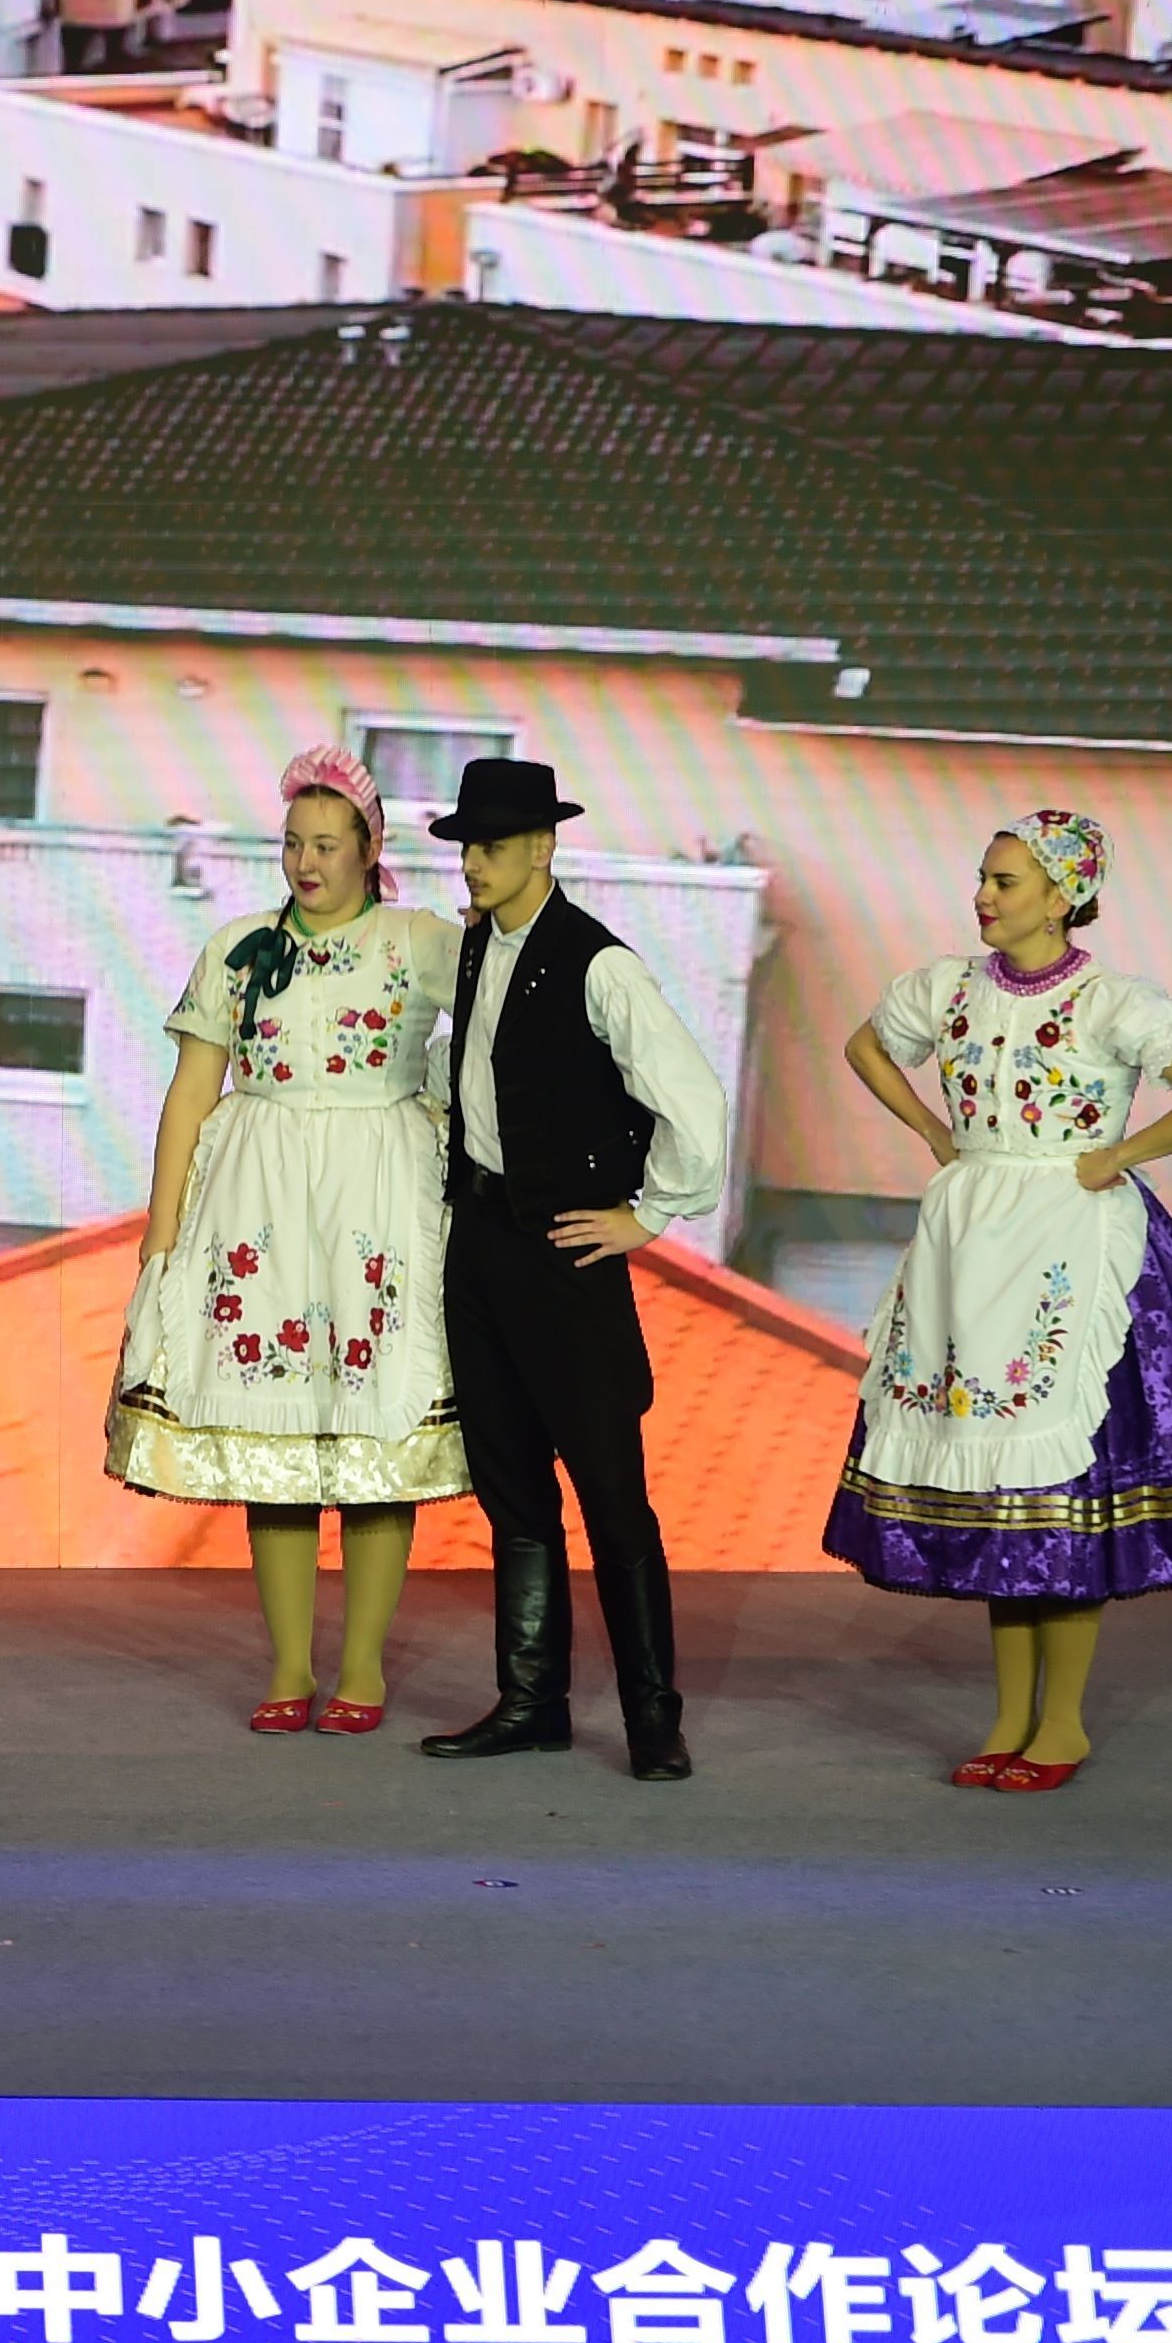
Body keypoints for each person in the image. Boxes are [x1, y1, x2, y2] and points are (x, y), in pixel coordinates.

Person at [823, 811, 1172, 1790]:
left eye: (1005, 881)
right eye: (983, 878)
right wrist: (934, 1131)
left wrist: (1117, 1154)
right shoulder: (946, 987)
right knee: (1001, 1498)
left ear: (1062, 895)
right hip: (969, 1241)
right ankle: (1004, 1718)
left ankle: (1058, 1724)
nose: (983, 896)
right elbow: (865, 1047)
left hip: (1074, 1240)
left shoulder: (1111, 1002)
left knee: (1061, 1496)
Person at [105, 749, 464, 1735]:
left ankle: (362, 1669)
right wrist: (161, 1234)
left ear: (369, 848)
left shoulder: (417, 941)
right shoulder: (236, 946)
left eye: (326, 844)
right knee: (275, 1439)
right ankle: (287, 1666)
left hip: (376, 1194)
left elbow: (499, 1019)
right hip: (256, 1192)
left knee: (374, 1441)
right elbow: (191, 1091)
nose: (306, 862)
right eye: (293, 843)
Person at [415, 757, 732, 1782]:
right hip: (480, 1242)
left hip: (562, 1251)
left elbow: (694, 1104)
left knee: (610, 1493)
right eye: (467, 846)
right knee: (511, 1487)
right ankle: (530, 1703)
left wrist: (647, 1217)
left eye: (493, 845)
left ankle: (652, 1718)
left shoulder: (600, 965)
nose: (473, 863)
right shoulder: (476, 944)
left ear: (543, 847)